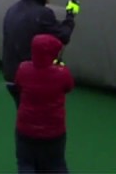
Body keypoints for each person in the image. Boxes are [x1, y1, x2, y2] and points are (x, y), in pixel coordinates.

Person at [2, 0, 79, 107]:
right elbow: (64, 36)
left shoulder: (12, 9)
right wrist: (70, 16)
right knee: (38, 117)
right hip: (29, 79)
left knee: (25, 114)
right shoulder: (43, 13)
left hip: (10, 76)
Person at [14, 34, 74, 173]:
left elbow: (18, 84)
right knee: (56, 165)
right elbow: (68, 87)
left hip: (26, 129)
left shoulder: (23, 69)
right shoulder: (62, 73)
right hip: (53, 131)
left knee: (26, 164)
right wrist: (58, 68)